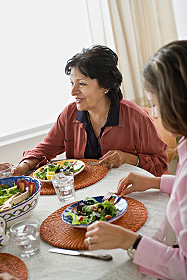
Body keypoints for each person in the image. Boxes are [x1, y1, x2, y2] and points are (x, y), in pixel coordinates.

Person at [85, 41, 187, 280]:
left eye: (154, 103)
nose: (155, 113)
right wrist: (153, 183)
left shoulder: (133, 116)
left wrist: (130, 240)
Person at [11, 45, 168, 177]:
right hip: (84, 197)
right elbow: (45, 149)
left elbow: (161, 164)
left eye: (82, 84)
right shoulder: (69, 114)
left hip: (128, 194)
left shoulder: (136, 117)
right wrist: (23, 166)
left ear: (105, 86)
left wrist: (130, 159)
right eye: (71, 83)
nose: (73, 92)